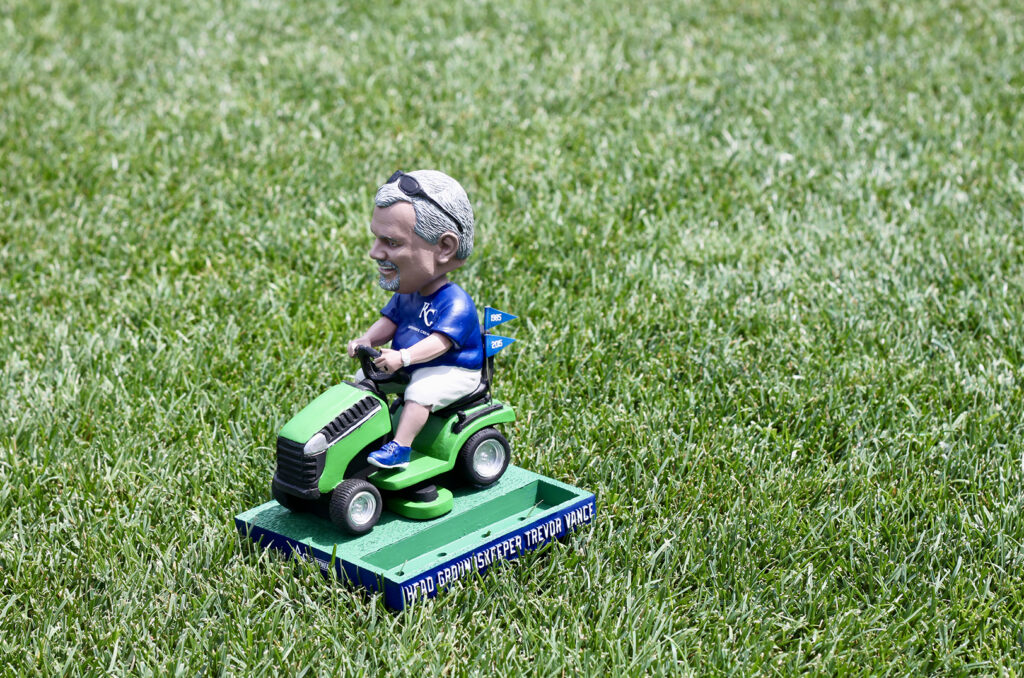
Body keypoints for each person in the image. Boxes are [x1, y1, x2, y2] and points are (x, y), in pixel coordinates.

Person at [347, 170, 484, 470]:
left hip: (453, 369)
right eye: (376, 239)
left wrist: (403, 358)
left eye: (391, 242)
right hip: (411, 363)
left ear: (444, 248)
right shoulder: (408, 293)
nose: (374, 252)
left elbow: (440, 343)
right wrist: (367, 339)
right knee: (363, 380)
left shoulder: (456, 303)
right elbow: (390, 322)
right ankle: (370, 435)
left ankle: (401, 447)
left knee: (421, 391)